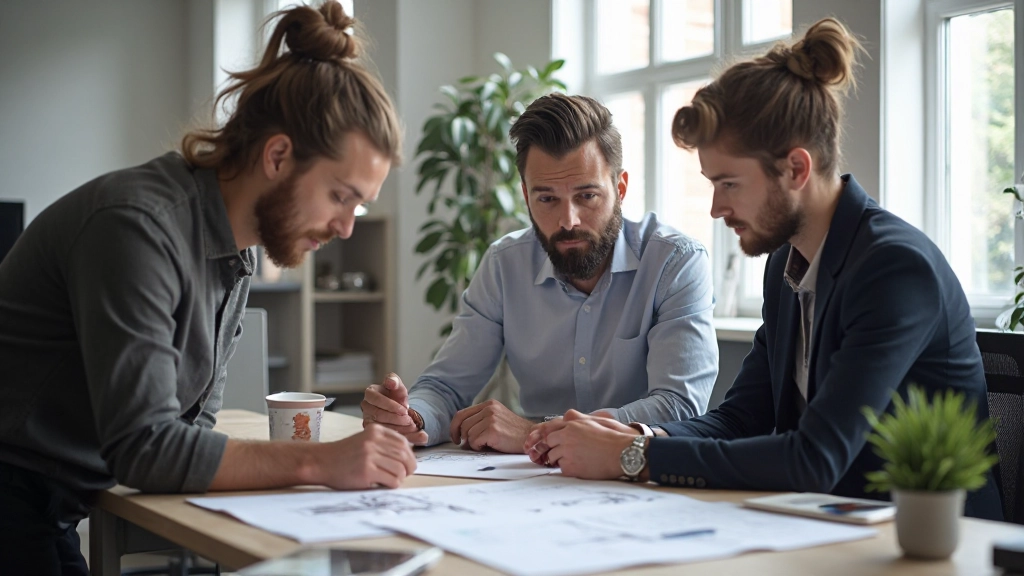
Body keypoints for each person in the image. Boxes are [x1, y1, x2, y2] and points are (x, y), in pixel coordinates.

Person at [524, 18, 1003, 521]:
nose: (715, 208)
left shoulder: (893, 269)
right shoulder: (788, 263)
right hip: (827, 526)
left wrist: (633, 459)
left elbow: (814, 458)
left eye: (729, 184)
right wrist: (637, 435)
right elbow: (743, 416)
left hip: (929, 542)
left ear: (796, 169)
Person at [0, 3, 417, 574]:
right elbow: (146, 448)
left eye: (360, 205)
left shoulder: (232, 248)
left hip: (51, 502)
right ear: (277, 156)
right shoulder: (137, 227)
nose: (347, 227)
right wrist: (318, 461)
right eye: (341, 196)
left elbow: (188, 427)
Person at [361, 93, 719, 453]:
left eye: (587, 196)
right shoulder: (504, 264)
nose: (568, 221)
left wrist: (536, 433)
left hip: (638, 475)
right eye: (546, 199)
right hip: (527, 484)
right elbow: (447, 388)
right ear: (525, 194)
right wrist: (413, 418)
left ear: (620, 188)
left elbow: (679, 407)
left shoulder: (675, 263)